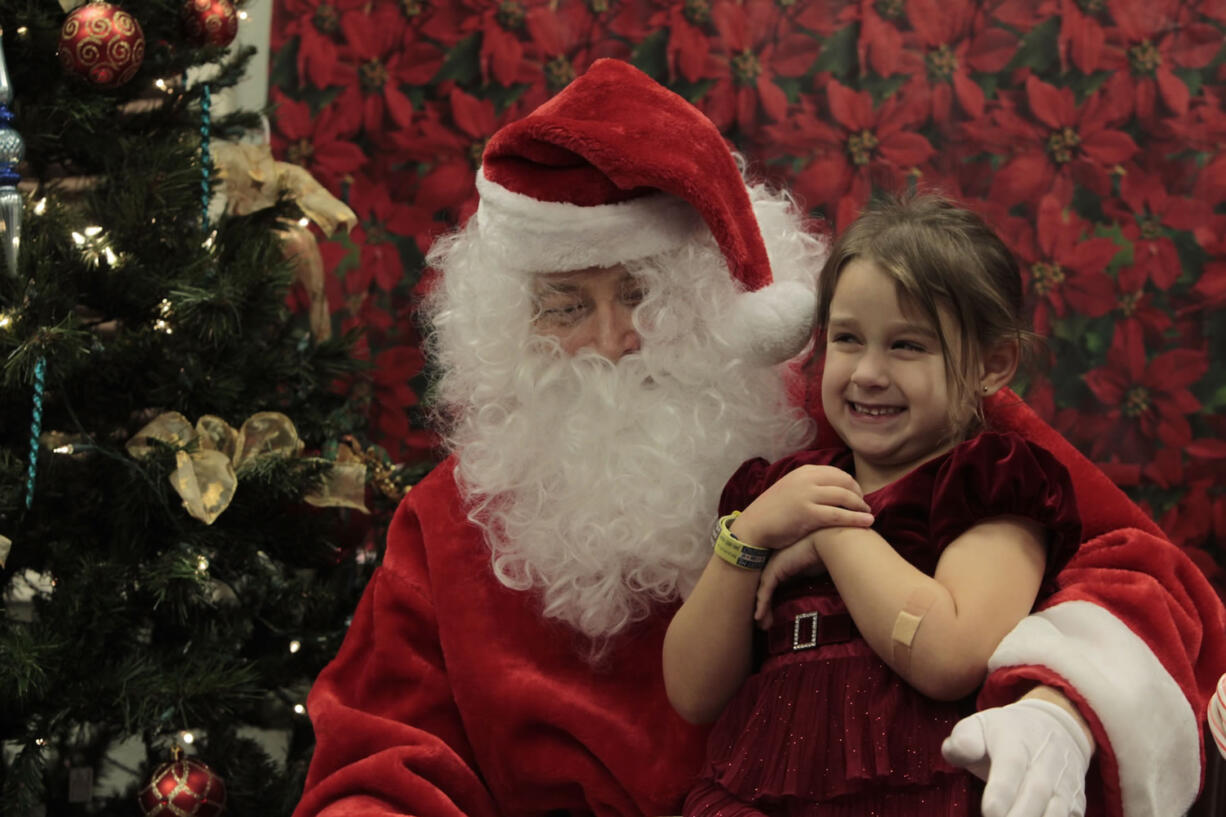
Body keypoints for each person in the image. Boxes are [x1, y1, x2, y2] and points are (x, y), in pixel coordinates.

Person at [292, 59, 1226, 817]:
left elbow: (1137, 563)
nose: (616, 342)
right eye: (567, 306)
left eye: (646, 296)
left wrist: (1062, 704)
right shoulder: (450, 517)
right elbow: (382, 757)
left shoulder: (860, 404)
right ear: (504, 323)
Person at [665, 191, 1085, 815]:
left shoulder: (987, 481)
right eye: (848, 339)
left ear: (990, 366)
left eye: (907, 346)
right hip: (757, 790)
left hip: (913, 790)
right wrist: (746, 538)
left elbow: (950, 657)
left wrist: (832, 535)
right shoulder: (781, 491)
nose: (866, 372)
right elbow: (694, 692)